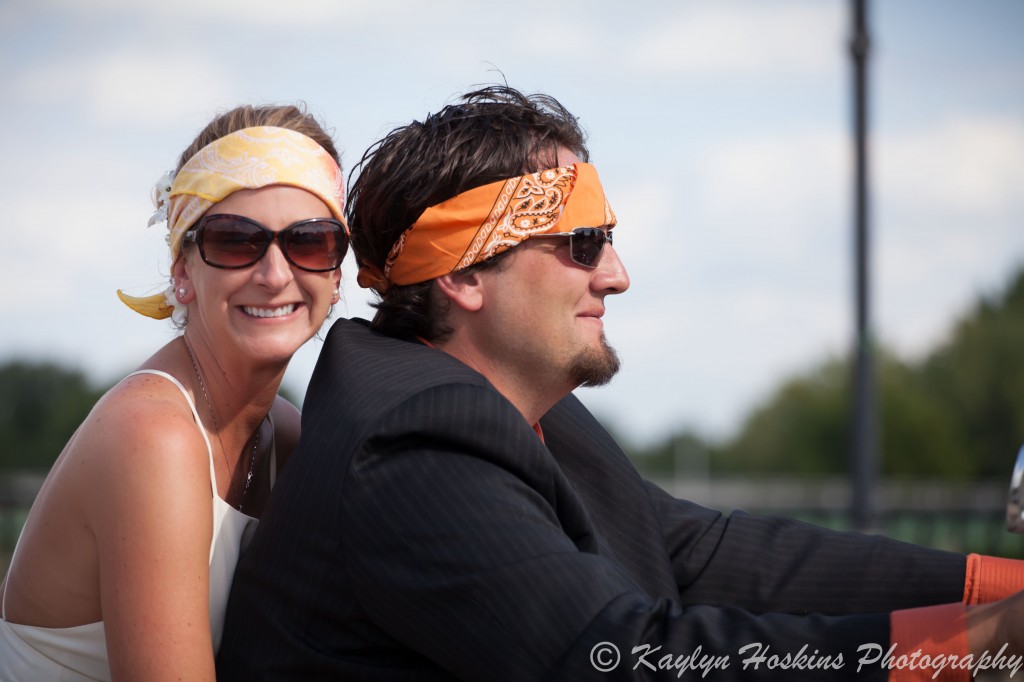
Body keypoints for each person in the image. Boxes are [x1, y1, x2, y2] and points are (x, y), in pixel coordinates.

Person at [217, 87, 1024, 681]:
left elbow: (702, 553)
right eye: (582, 243)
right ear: (465, 276)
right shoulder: (411, 443)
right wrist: (975, 647)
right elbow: (617, 658)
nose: (618, 276)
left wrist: (999, 586)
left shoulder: (515, 407)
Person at [0, 104, 348, 681]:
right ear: (182, 272)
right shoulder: (154, 436)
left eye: (309, 242)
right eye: (236, 241)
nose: (275, 273)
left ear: (335, 275)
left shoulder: (281, 434)